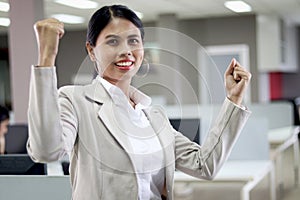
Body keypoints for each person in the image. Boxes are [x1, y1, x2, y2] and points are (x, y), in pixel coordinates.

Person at [27, 4, 252, 200]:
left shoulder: (153, 116)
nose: (126, 51)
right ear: (92, 50)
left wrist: (233, 99)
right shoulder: (75, 100)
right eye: (112, 42)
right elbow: (47, 151)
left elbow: (205, 165)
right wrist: (46, 59)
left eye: (133, 41)